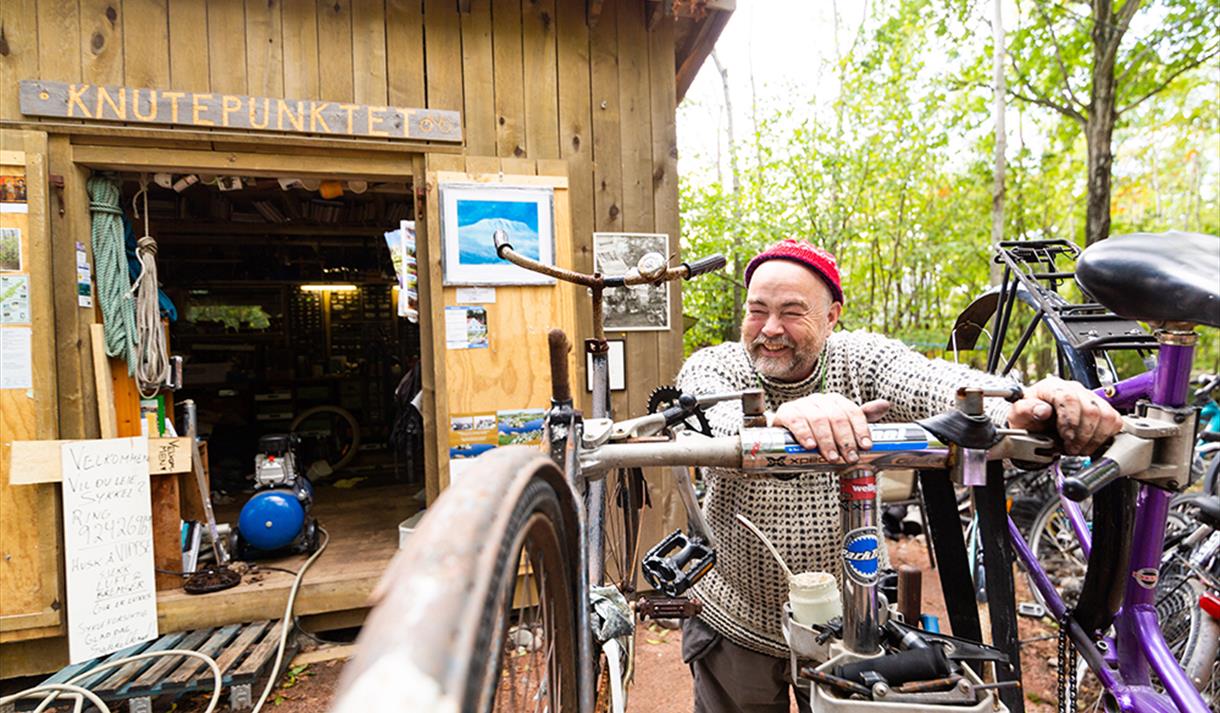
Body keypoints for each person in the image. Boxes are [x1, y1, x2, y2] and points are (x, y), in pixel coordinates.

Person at [675, 238, 1124, 713]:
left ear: (831, 317)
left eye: (791, 312)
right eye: (757, 311)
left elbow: (934, 384)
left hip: (849, 625)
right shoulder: (719, 364)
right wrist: (781, 419)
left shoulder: (860, 358)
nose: (769, 329)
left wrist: (1024, 403)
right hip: (736, 618)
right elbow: (701, 418)